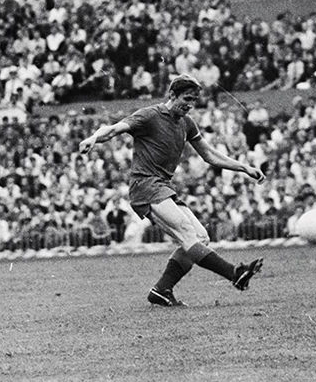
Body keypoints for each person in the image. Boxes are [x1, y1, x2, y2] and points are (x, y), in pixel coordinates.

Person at [79, 74, 266, 307]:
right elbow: (114, 129)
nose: (190, 104)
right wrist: (94, 138)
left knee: (200, 237)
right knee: (187, 233)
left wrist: (244, 167)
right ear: (172, 94)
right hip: (145, 185)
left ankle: (161, 290)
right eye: (186, 98)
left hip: (163, 187)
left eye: (194, 100)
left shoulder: (186, 123)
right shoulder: (150, 115)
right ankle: (235, 273)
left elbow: (209, 154)